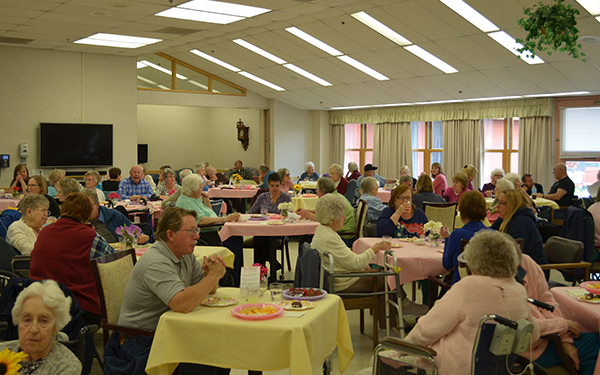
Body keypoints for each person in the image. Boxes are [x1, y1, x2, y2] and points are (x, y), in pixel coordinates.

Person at [104, 207, 229, 375]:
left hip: (169, 331)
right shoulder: (156, 262)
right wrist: (212, 277)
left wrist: (210, 274)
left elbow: (207, 290)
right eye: (191, 231)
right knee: (209, 362)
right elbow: (182, 304)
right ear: (170, 235)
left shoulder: (184, 254)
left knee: (222, 350)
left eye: (196, 229)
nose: (197, 236)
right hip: (141, 340)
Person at [404, 230, 539, 374]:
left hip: (452, 369)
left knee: (391, 356)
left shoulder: (468, 287)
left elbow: (427, 329)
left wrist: (401, 348)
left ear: (473, 259)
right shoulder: (518, 290)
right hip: (499, 369)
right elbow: (534, 334)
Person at [311, 194, 402, 324]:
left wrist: (364, 267)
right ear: (332, 218)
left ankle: (391, 320)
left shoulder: (322, 230)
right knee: (388, 279)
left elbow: (347, 257)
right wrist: (375, 248)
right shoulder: (329, 237)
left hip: (338, 276)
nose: (344, 217)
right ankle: (391, 322)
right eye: (341, 215)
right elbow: (354, 263)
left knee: (381, 277)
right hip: (342, 282)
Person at [30, 192, 115, 324]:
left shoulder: (45, 232)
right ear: (87, 213)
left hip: (41, 300)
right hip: (78, 305)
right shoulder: (89, 236)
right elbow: (114, 262)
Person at [519, 253, 599, 375]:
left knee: (588, 338)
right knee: (593, 345)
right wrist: (563, 325)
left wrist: (564, 339)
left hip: (543, 336)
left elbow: (548, 301)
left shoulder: (525, 262)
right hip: (521, 349)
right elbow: (523, 326)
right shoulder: (495, 283)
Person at [0, 280, 82, 374]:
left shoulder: (66, 366)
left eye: (43, 321)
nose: (33, 329)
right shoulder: (2, 352)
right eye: (27, 320)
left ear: (56, 327)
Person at [441, 191, 488, 284]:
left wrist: (447, 239)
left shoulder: (457, 234)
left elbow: (447, 265)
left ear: (462, 211)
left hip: (461, 286)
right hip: (486, 286)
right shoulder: (492, 234)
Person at [491, 189, 548, 267]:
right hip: (519, 265)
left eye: (502, 203)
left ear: (512, 205)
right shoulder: (507, 217)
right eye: (498, 202)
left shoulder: (521, 222)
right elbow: (490, 230)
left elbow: (510, 251)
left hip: (532, 270)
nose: (497, 206)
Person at [296, 177, 356, 247]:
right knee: (307, 238)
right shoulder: (335, 196)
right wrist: (308, 211)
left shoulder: (332, 200)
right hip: (343, 233)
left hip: (343, 237)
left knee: (304, 241)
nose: (316, 191)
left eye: (317, 189)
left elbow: (325, 219)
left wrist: (309, 215)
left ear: (323, 191)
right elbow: (325, 212)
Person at [83, 188, 149, 244]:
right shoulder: (78, 221)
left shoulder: (113, 215)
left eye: (89, 206)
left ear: (97, 205)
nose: (85, 210)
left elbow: (136, 233)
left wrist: (141, 238)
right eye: (82, 207)